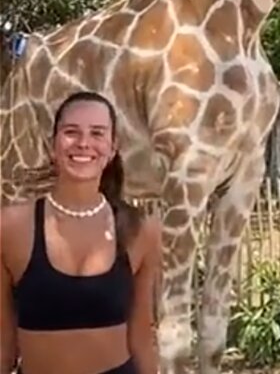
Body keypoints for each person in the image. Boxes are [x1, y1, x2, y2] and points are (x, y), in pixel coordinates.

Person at [0, 91, 162, 374]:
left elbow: (141, 336)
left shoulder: (140, 231)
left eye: (97, 133)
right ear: (53, 145)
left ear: (112, 148)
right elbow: (4, 342)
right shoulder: (11, 227)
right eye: (71, 132)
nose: (84, 143)